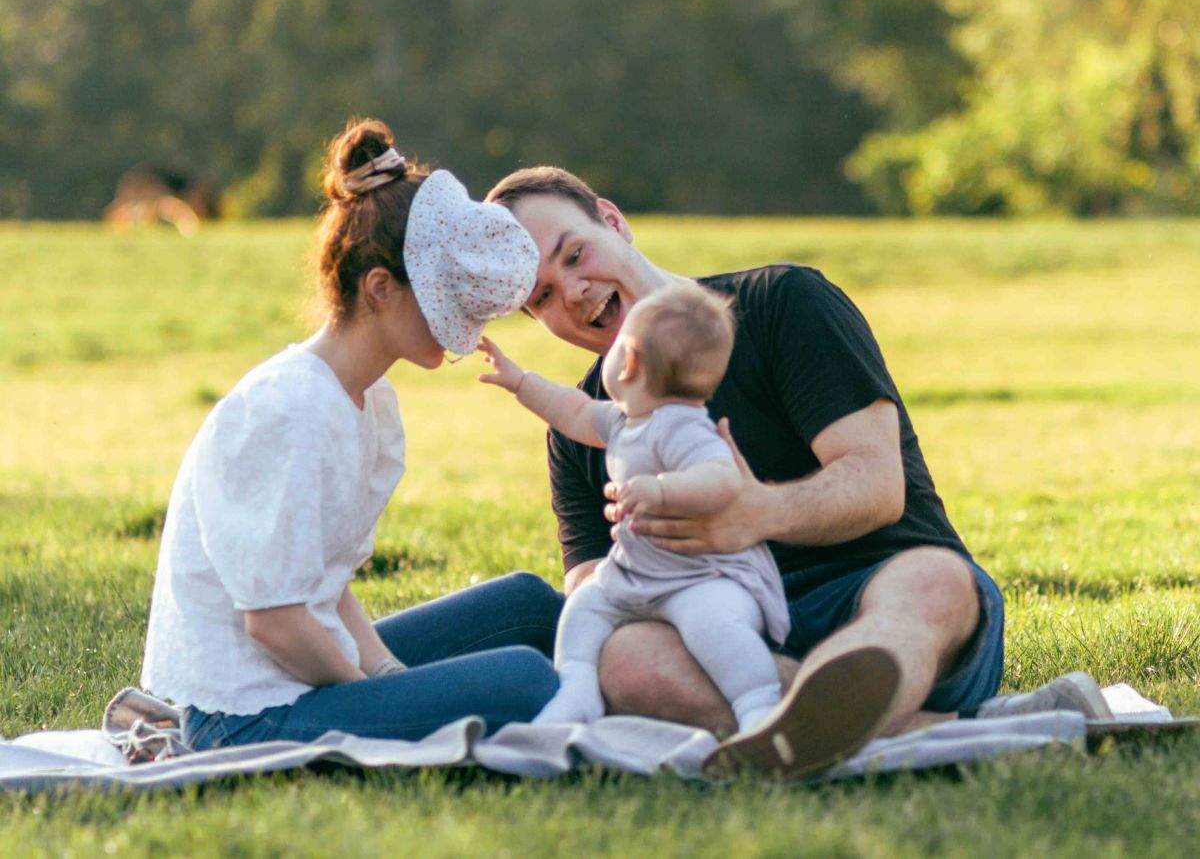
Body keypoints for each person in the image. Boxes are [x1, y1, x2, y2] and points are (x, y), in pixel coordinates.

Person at [483, 165, 1009, 776]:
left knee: (933, 581)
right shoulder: (582, 427)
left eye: (575, 254)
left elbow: (877, 484)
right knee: (624, 659)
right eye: (542, 296)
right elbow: (597, 591)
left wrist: (756, 513)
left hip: (875, 584)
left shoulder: (783, 303)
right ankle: (884, 726)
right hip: (728, 643)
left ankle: (833, 709)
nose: (573, 291)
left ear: (613, 221)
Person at [140, 119, 563, 750]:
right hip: (249, 714)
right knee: (528, 681)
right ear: (380, 289)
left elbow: (324, 585)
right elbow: (275, 622)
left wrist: (390, 674)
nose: (467, 332)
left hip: (304, 672)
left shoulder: (358, 398)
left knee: (528, 605)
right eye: (447, 303)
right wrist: (372, 694)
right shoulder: (290, 409)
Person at [480, 283, 886, 749]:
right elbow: (572, 412)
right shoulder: (625, 419)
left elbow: (721, 479)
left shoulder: (683, 426)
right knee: (585, 608)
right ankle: (579, 689)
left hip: (704, 579)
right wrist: (520, 382)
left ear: (628, 361)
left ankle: (757, 704)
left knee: (716, 630)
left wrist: (659, 489)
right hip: (637, 575)